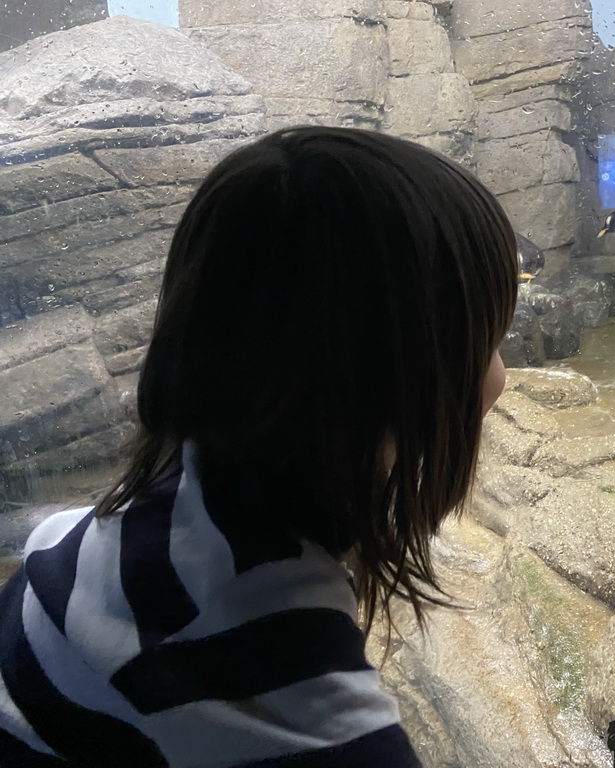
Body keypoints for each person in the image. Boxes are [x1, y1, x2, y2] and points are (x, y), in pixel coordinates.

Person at [0, 127, 519, 767]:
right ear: (401, 378)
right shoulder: (284, 680)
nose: (501, 373)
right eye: (492, 337)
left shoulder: (116, 525)